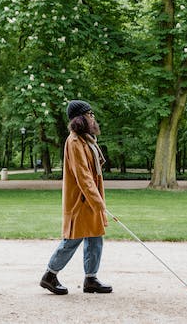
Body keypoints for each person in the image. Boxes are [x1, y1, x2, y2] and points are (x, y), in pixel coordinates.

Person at [40, 99, 112, 295]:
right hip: (81, 201)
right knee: (73, 239)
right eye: (90, 114)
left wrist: (97, 201)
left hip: (90, 198)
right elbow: (83, 176)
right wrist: (98, 202)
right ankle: (50, 275)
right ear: (80, 118)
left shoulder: (86, 140)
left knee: (95, 237)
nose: (93, 117)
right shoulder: (73, 142)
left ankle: (91, 279)